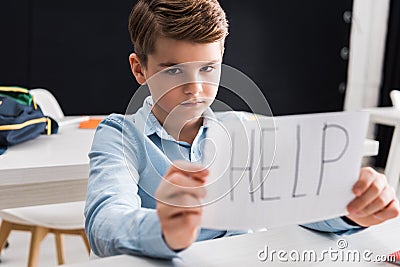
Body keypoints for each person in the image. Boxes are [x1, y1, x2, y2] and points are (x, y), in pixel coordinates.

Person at [84, 0, 400, 259]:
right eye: (175, 70)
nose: (195, 88)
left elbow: (297, 207)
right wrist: (165, 228)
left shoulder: (243, 131)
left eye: (208, 68)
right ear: (140, 69)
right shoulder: (121, 134)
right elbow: (105, 224)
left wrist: (351, 210)